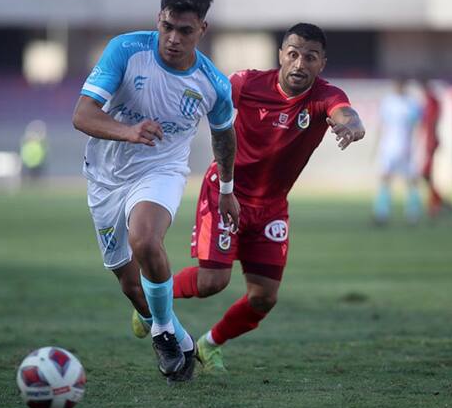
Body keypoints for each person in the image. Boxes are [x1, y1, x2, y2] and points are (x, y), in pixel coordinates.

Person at [133, 23, 365, 374]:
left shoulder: (325, 96)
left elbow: (345, 113)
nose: (300, 64)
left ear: (322, 63)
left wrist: (353, 125)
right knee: (213, 282)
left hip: (272, 208)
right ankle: (150, 304)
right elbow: (208, 101)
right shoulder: (247, 83)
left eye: (310, 57)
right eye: (293, 54)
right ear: (281, 56)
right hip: (226, 193)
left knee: (264, 297)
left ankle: (208, 345)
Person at [72, 0, 239, 384]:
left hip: (160, 171)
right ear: (158, 20)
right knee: (131, 283)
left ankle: (162, 333)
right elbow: (82, 115)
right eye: (167, 27)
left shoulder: (213, 84)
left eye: (185, 31)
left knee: (145, 240)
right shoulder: (126, 50)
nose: (173, 39)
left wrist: (229, 190)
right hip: (105, 176)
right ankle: (177, 338)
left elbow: (224, 134)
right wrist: (128, 131)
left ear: (203, 29)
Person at [372, 77, 423, 225]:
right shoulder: (388, 102)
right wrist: (377, 147)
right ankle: (382, 214)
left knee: (412, 181)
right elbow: (382, 126)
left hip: (407, 148)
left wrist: (416, 146)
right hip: (389, 147)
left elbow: (417, 127)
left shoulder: (412, 103)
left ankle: (413, 214)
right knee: (385, 179)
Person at [419, 79, 452, 218]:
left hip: (431, 141)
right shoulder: (429, 101)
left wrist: (431, 141)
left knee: (428, 175)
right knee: (427, 175)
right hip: (429, 141)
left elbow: (433, 122)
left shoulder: (432, 101)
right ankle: (438, 202)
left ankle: (436, 205)